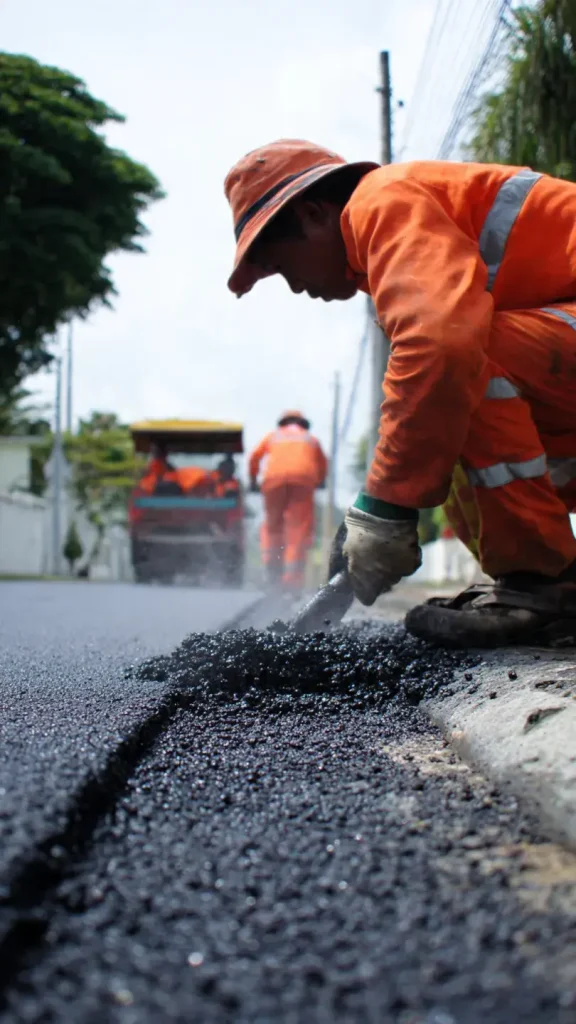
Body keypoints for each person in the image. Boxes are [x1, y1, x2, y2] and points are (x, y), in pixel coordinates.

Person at [224, 139, 576, 646]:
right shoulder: (397, 228)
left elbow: (441, 344)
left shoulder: (380, 200)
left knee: (457, 366)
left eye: (283, 266)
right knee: (440, 417)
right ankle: (537, 582)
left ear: (314, 213)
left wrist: (384, 507)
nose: (295, 286)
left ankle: (543, 584)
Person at [249, 411, 327, 589]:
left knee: (273, 525)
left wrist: (253, 479)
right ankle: (291, 579)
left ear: (283, 423)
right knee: (298, 528)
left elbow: (255, 457)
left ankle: (272, 568)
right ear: (303, 423)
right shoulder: (310, 439)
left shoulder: (273, 436)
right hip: (303, 481)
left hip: (273, 480)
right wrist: (321, 480)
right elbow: (323, 465)